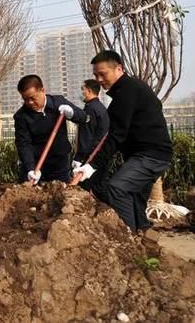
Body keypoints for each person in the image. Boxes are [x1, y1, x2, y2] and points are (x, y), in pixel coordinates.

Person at [74, 51, 173, 232]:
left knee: (117, 189)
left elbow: (115, 137)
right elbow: (113, 137)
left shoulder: (127, 91)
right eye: (96, 75)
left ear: (119, 68)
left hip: (150, 155)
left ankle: (129, 238)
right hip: (145, 155)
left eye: (103, 74)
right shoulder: (127, 91)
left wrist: (91, 166)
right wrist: (90, 164)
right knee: (134, 198)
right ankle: (144, 237)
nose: (99, 79)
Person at [13, 74, 87, 184]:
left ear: (42, 90)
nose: (30, 103)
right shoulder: (21, 116)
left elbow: (84, 117)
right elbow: (23, 144)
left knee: (61, 196)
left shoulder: (58, 102)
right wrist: (30, 169)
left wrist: (72, 114)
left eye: (32, 98)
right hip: (36, 165)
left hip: (60, 165)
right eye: (25, 99)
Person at [73, 79, 109, 167]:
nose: (82, 93)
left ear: (89, 91)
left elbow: (86, 135)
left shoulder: (90, 109)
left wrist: (79, 157)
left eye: (83, 89)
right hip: (99, 153)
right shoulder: (101, 107)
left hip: (88, 156)